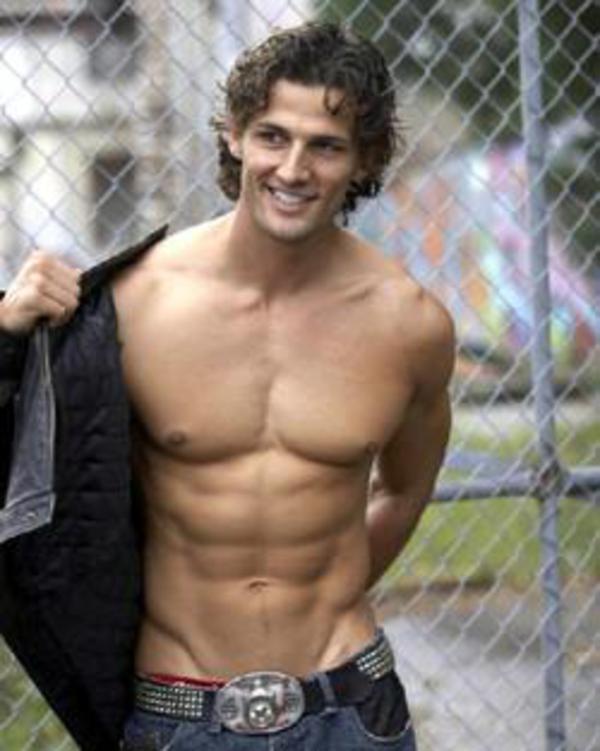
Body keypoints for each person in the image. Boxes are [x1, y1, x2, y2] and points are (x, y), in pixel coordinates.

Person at [0, 22, 454, 751]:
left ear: (364, 158)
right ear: (235, 135)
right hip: (180, 713)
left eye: (326, 146)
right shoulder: (133, 304)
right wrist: (6, 333)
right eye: (273, 136)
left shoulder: (411, 325)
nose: (293, 169)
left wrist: (321, 595)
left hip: (348, 708)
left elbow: (402, 490)